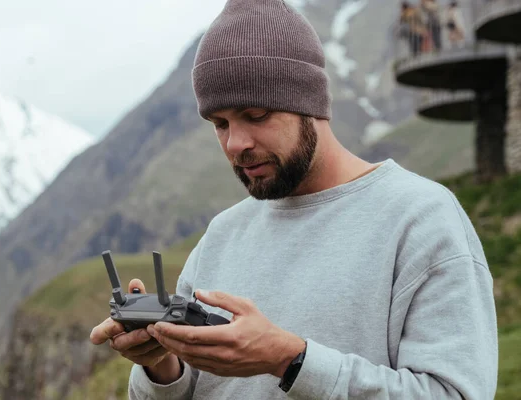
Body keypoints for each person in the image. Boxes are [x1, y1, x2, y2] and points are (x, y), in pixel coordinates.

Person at [90, 0, 498, 398]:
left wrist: (289, 360)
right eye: (219, 123)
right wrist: (161, 368)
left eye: (256, 115)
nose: (236, 144)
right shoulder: (222, 234)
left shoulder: (421, 218)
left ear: (309, 104)